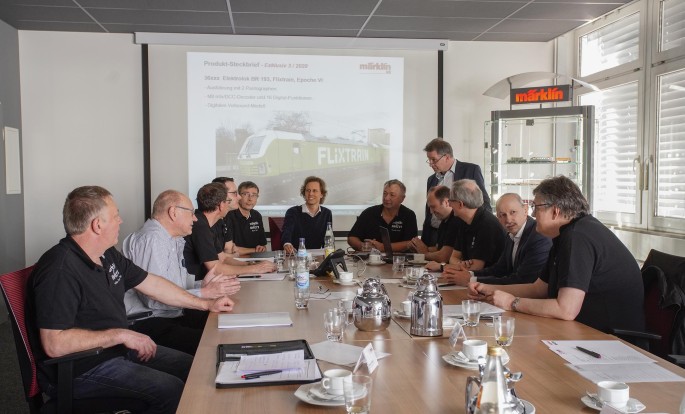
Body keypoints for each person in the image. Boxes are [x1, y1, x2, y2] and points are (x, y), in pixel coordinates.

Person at [26, 186, 234, 414]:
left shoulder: (106, 255)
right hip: (82, 368)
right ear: (97, 225)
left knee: (194, 367)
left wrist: (205, 304)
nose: (121, 220)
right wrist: (121, 335)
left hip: (115, 350)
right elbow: (55, 344)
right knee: (171, 390)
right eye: (116, 215)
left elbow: (152, 284)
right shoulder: (60, 269)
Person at [467, 175, 645, 333]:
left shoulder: (577, 237)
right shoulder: (566, 234)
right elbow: (538, 289)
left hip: (610, 338)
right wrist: (488, 289)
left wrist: (512, 302)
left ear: (556, 211)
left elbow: (566, 309)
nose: (533, 214)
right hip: (586, 329)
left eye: (536, 207)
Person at [123, 190, 240, 355]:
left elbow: (177, 287)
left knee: (229, 325)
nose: (195, 218)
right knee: (215, 343)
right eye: (191, 213)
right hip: (149, 321)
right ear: (173, 212)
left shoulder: (173, 240)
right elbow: (154, 301)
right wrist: (203, 293)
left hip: (173, 314)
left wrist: (203, 285)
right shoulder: (152, 240)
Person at [442, 193, 551, 286]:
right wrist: (470, 274)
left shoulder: (538, 237)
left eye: (513, 212)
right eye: (502, 215)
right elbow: (499, 269)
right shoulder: (511, 235)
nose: (508, 220)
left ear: (525, 210)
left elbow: (522, 280)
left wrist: (471, 280)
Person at [183, 183, 274, 280]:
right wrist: (255, 268)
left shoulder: (210, 224)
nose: (238, 198)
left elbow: (223, 258)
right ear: (221, 205)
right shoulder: (200, 225)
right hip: (195, 285)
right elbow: (215, 269)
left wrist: (251, 264)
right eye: (228, 201)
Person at [422, 138, 491, 247]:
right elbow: (429, 209)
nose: (430, 164)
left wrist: (477, 230)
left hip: (460, 233)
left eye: (433, 159)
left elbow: (484, 203)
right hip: (434, 233)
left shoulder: (470, 170)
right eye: (429, 160)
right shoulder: (431, 179)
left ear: (446, 157)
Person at [426, 179, 504, 273]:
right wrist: (461, 265)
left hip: (487, 279)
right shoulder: (463, 221)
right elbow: (453, 258)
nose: (449, 204)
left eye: (450, 200)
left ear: (460, 204)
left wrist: (442, 267)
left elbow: (476, 267)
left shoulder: (487, 225)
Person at [348, 179, 418, 253]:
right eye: (385, 193)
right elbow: (351, 238)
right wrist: (364, 246)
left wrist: (383, 247)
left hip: (399, 259)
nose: (386, 198)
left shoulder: (409, 215)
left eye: (392, 195)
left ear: (402, 198)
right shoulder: (369, 213)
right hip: (370, 258)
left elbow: (411, 242)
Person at [282, 176, 333, 254]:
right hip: (296, 255)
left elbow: (327, 240)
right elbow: (287, 231)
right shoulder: (293, 212)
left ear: (321, 194)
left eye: (314, 191)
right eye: (308, 190)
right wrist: (287, 243)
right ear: (304, 193)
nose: (310, 194)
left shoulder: (327, 213)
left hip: (317, 256)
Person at [408, 185, 458, 263]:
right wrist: (417, 247)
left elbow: (443, 257)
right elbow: (439, 248)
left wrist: (424, 254)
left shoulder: (456, 221)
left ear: (446, 202)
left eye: (433, 207)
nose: (431, 212)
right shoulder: (444, 221)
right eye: (430, 207)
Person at [227, 181, 268, 255]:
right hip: (235, 259)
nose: (250, 199)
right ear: (238, 196)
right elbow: (230, 250)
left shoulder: (256, 215)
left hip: (255, 258)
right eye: (246, 194)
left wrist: (262, 248)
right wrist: (254, 250)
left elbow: (263, 246)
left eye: (254, 195)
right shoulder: (229, 216)